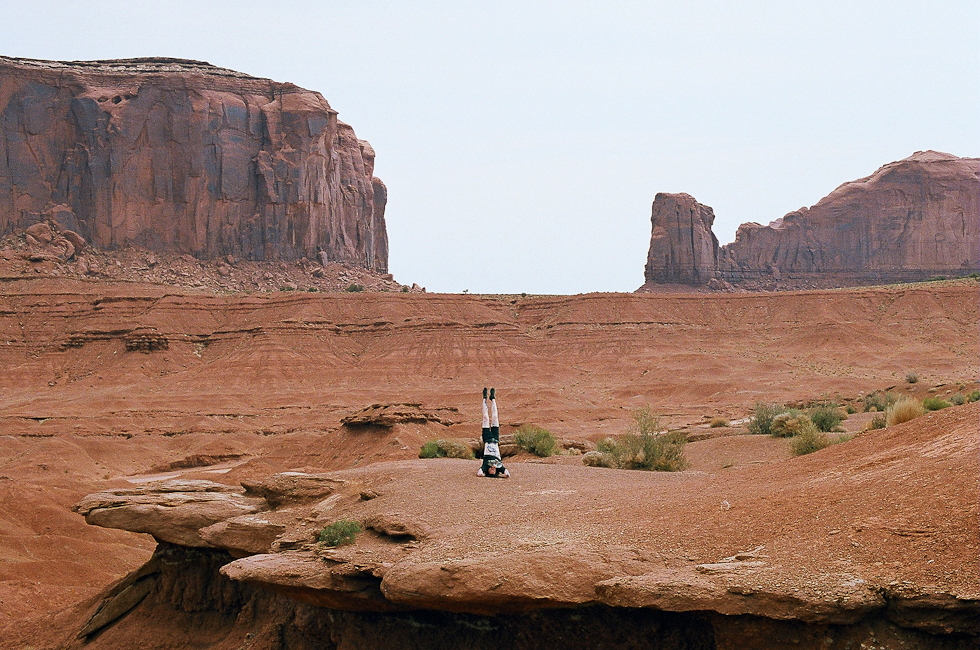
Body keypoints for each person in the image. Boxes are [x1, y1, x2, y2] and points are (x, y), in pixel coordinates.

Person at [477, 387, 510, 478]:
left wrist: (484, 474)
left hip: (487, 438)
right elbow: (507, 473)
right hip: (495, 438)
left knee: (486, 417)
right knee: (495, 417)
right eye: (493, 471)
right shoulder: (499, 466)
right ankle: (493, 398)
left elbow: (479, 473)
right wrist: (501, 475)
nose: (492, 469)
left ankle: (484, 398)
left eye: (490, 471)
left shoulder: (485, 465)